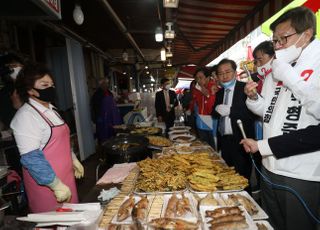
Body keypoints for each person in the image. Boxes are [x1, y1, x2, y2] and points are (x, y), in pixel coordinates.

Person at [244, 7, 320, 230]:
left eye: (282, 39)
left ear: (306, 34)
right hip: (269, 165)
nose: (277, 46)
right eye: (274, 40)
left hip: (301, 173)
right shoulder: (279, 67)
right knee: (271, 224)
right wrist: (254, 97)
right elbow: (269, 111)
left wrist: (290, 77)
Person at [11, 64, 84, 213]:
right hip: (47, 185)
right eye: (44, 85)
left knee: (72, 220)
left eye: (52, 84)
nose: (50, 88)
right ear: (29, 90)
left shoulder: (52, 110)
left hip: (66, 178)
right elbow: (31, 158)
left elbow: (61, 141)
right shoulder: (26, 117)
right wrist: (55, 184)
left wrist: (73, 158)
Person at [212, 58, 256, 185]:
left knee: (242, 179)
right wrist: (216, 109)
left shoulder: (245, 88)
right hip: (225, 140)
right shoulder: (220, 93)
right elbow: (215, 114)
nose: (224, 76)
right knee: (227, 177)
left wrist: (231, 111)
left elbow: (252, 114)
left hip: (242, 141)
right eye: (220, 73)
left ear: (235, 72)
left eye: (227, 72)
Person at [189, 67, 218, 148]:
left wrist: (208, 94)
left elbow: (213, 106)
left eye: (200, 78)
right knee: (204, 144)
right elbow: (195, 101)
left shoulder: (214, 87)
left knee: (213, 145)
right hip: (200, 119)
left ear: (208, 77)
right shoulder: (197, 88)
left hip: (212, 120)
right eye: (197, 78)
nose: (198, 80)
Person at [92, 78, 122, 144]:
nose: (107, 85)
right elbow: (95, 107)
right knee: (103, 136)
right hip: (102, 119)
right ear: (101, 84)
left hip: (110, 118)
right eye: (105, 83)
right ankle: (103, 150)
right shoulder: (97, 94)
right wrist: (97, 117)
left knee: (111, 134)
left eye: (107, 83)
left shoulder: (109, 93)